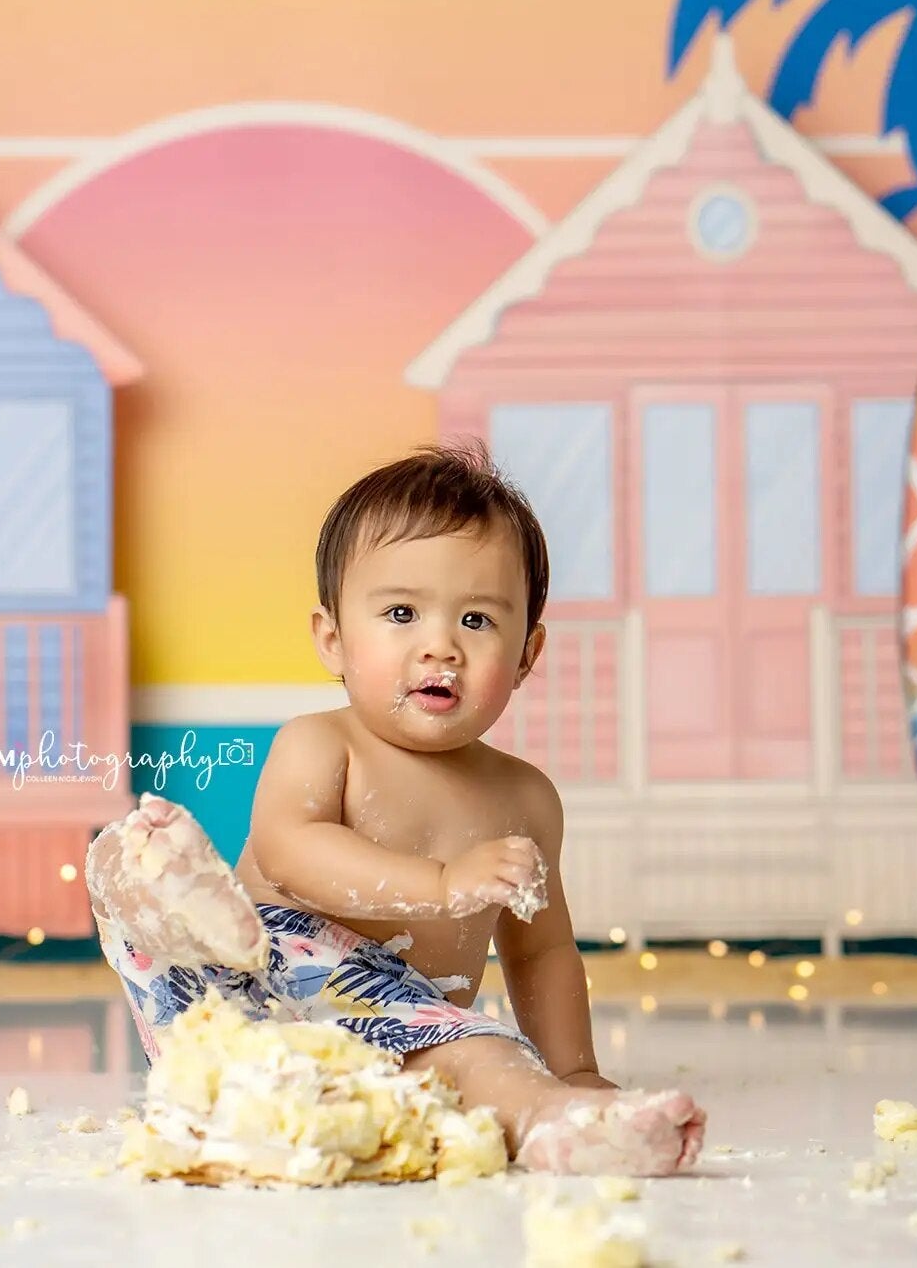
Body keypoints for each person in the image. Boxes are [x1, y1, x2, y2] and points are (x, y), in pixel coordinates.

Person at [87, 442, 704, 1176]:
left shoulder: (524, 798)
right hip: (239, 993)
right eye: (402, 612)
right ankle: (166, 892)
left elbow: (541, 952)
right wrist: (441, 885)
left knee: (481, 1051)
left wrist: (572, 1071)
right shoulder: (321, 744)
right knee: (129, 860)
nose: (439, 645)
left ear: (528, 654)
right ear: (333, 639)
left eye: (477, 621)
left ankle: (550, 1117)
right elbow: (287, 850)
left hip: (393, 1039)